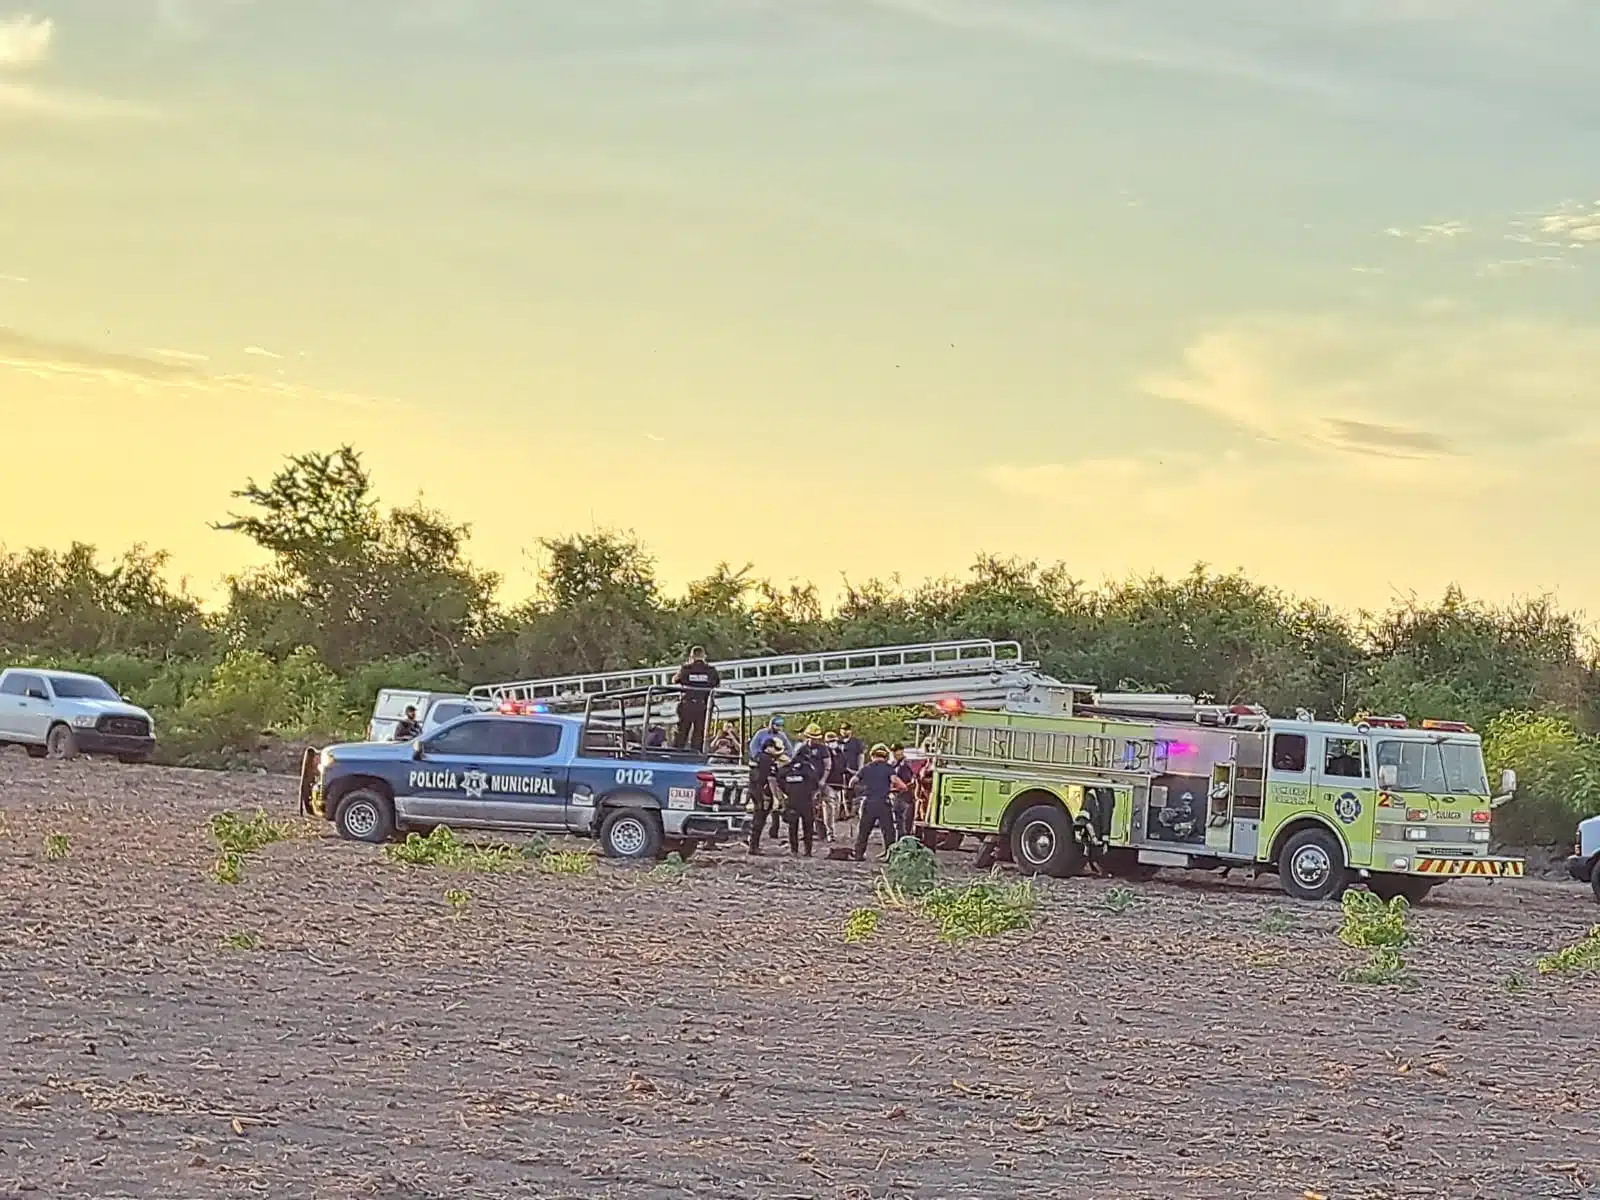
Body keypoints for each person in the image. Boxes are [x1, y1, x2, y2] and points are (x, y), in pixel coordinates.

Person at [852, 744, 899, 860]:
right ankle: (890, 855)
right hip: (883, 803)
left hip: (868, 802)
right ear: (886, 756)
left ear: (872, 755)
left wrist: (861, 789)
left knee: (864, 830)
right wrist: (898, 789)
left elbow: (852, 782)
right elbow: (895, 781)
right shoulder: (889, 768)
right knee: (888, 831)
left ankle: (859, 854)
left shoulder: (866, 768)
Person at [781, 738, 825, 857]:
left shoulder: (787, 768)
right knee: (808, 826)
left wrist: (787, 791)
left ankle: (794, 850)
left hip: (792, 800)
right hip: (805, 800)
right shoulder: (807, 767)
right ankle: (808, 851)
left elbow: (780, 779)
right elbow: (815, 781)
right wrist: (811, 791)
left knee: (792, 826)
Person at [673, 646, 722, 751]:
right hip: (703, 705)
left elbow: (675, 680)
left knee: (682, 732)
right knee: (699, 733)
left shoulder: (686, 669)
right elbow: (717, 683)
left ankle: (676, 754)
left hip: (687, 705)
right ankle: (696, 754)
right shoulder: (710, 670)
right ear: (704, 656)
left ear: (692, 656)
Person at [790, 724, 833, 843]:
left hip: (820, 781)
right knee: (811, 807)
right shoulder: (802, 749)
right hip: (806, 783)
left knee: (826, 806)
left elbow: (828, 765)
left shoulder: (822, 749)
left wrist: (823, 779)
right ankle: (812, 831)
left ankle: (827, 832)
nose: (814, 740)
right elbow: (794, 763)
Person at [747, 738, 786, 854]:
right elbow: (771, 779)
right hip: (763, 791)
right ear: (769, 747)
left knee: (758, 816)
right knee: (760, 817)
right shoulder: (767, 760)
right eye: (776, 749)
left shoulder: (757, 757)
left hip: (755, 789)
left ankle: (753, 844)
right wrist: (777, 797)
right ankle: (754, 846)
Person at [889, 743, 917, 839]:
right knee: (898, 822)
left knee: (904, 824)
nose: (894, 753)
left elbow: (910, 781)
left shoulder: (905, 764)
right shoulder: (894, 764)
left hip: (905, 797)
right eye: (893, 751)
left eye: (896, 751)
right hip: (897, 796)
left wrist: (900, 788)